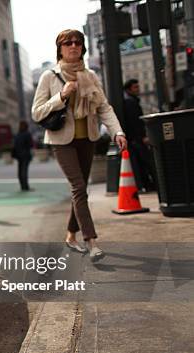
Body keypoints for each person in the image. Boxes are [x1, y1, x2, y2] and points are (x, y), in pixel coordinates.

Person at [31, 29, 127, 262]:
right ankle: (91, 241)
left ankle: (70, 236)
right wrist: (62, 96)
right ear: (60, 49)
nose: (73, 46)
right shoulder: (49, 77)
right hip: (62, 141)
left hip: (87, 139)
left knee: (80, 190)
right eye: (68, 43)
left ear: (82, 47)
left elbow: (104, 107)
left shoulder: (90, 76)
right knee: (78, 188)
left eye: (77, 42)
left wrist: (117, 132)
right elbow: (36, 112)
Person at [123, 79, 156, 192]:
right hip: (136, 138)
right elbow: (135, 122)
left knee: (141, 162)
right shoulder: (130, 102)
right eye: (135, 87)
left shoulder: (130, 100)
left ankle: (147, 184)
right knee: (145, 162)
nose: (138, 89)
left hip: (134, 138)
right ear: (129, 89)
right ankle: (149, 184)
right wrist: (142, 136)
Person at [13, 121, 34, 191]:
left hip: (18, 155)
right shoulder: (27, 134)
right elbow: (31, 145)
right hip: (25, 155)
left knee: (20, 171)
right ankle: (26, 187)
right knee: (24, 171)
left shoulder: (17, 134)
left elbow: (15, 145)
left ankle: (22, 186)